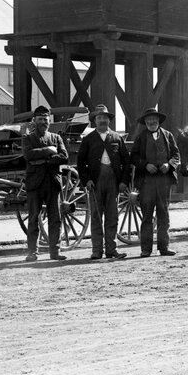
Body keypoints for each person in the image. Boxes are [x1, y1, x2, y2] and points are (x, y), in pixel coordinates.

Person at [76, 104, 129, 260]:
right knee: (96, 217)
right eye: (99, 118)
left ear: (109, 120)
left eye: (105, 117)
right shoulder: (88, 139)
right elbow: (80, 163)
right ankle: (97, 250)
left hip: (113, 181)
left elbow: (126, 161)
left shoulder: (117, 138)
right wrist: (87, 180)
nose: (102, 120)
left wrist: (123, 181)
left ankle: (111, 250)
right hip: (96, 182)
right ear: (94, 121)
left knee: (112, 217)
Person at [130, 107, 181, 257]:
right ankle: (146, 249)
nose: (151, 122)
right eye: (148, 120)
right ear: (145, 122)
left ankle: (164, 247)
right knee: (146, 216)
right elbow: (134, 156)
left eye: (154, 119)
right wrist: (145, 165)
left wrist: (169, 164)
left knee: (163, 214)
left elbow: (176, 154)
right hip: (147, 182)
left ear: (158, 121)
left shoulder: (168, 136)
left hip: (164, 182)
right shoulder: (141, 137)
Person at [22, 105, 69, 262]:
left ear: (49, 121)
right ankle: (32, 252)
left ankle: (55, 252)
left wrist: (44, 160)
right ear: (34, 121)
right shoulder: (27, 138)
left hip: (52, 183)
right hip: (34, 184)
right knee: (33, 218)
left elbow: (64, 156)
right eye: (40, 119)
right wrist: (49, 150)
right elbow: (28, 155)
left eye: (46, 120)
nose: (43, 122)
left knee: (55, 218)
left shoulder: (56, 138)